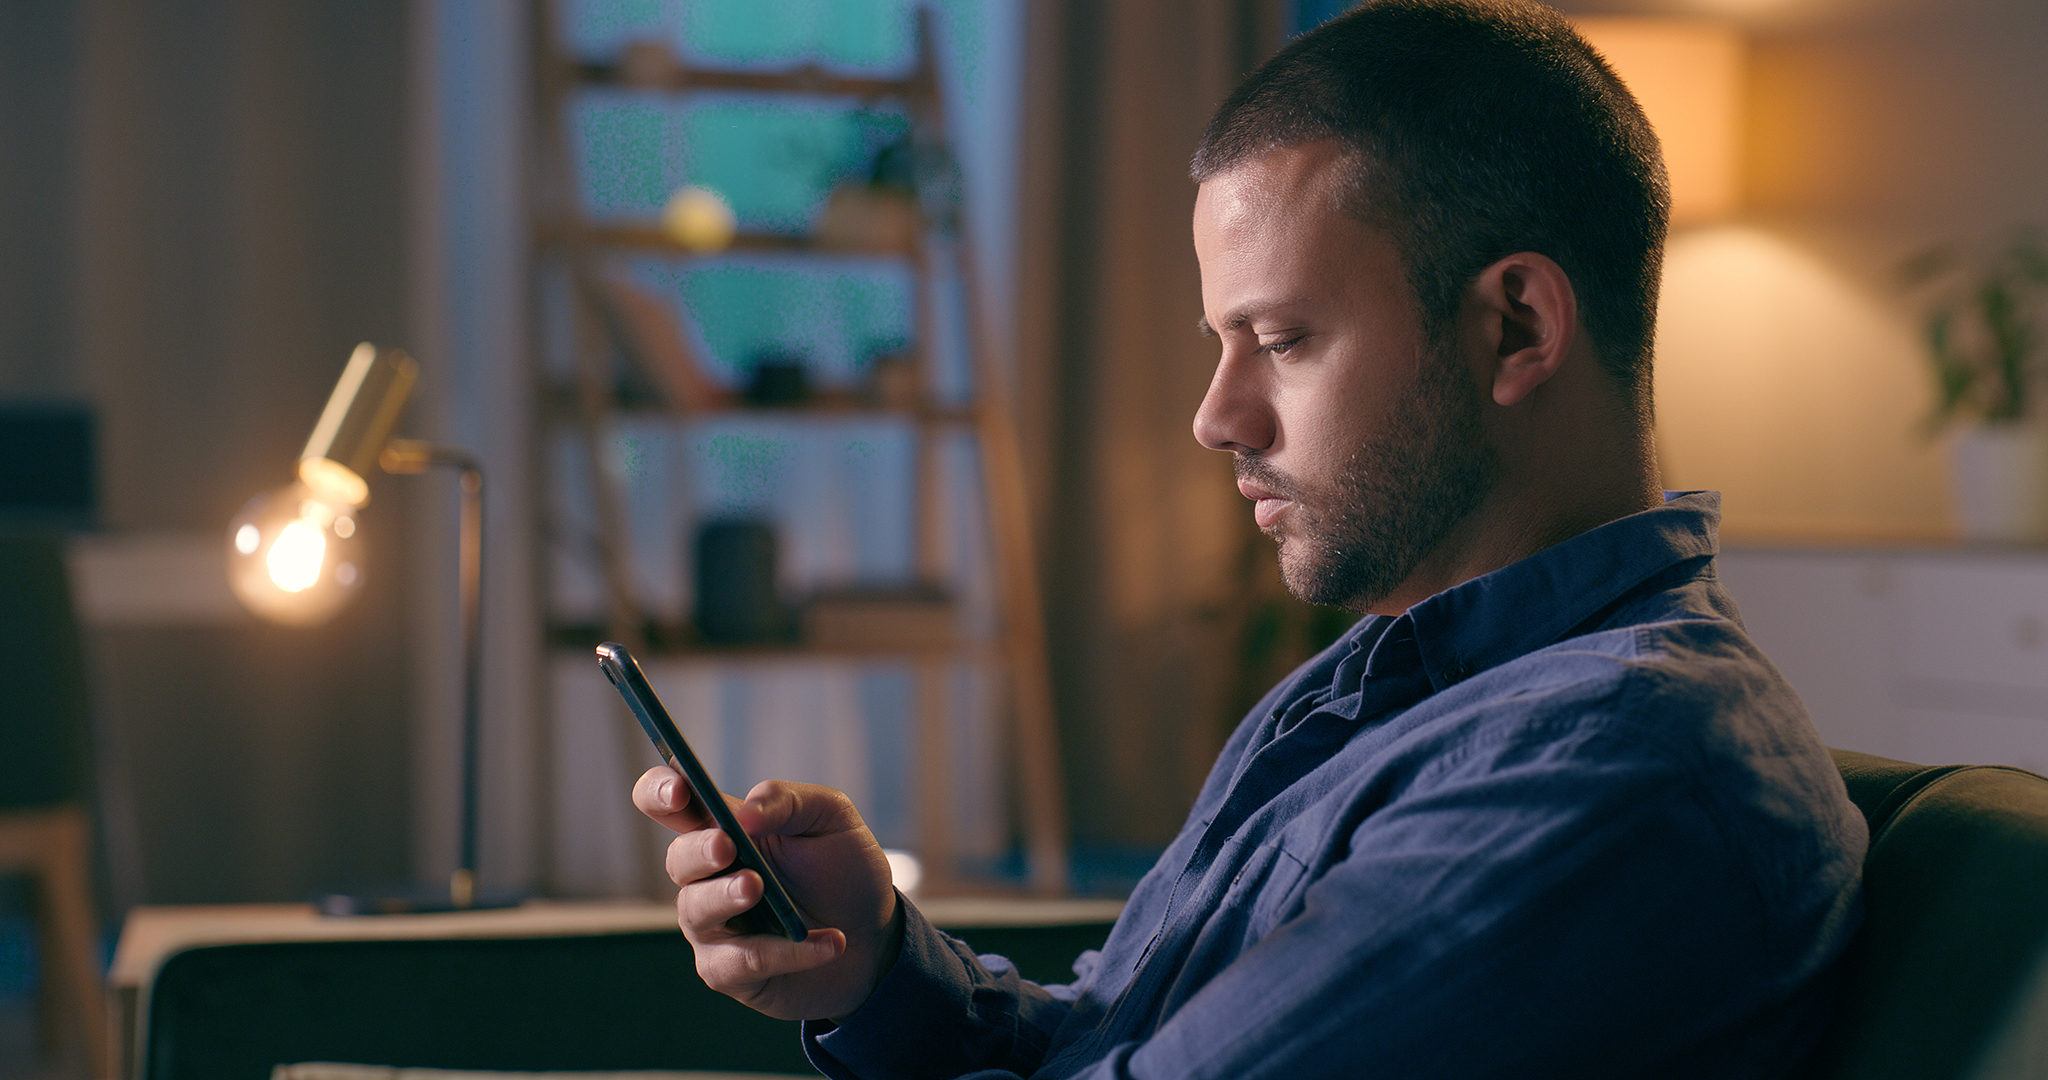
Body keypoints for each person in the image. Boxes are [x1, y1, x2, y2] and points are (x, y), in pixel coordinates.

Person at [632, 1, 1868, 1076]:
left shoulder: (1604, 762)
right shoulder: (1386, 679)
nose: (1215, 418)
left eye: (1279, 341)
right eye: (1222, 343)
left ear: (1515, 329)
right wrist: (876, 961)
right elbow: (1112, 1030)